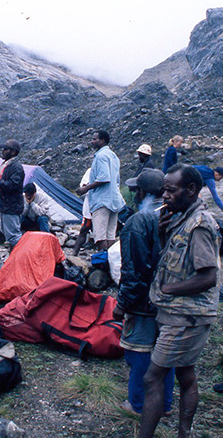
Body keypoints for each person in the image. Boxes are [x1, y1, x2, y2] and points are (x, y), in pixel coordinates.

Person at [138, 164, 220, 438]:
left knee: (152, 378)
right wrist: (162, 234)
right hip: (176, 313)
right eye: (164, 190)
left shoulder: (200, 224)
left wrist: (170, 290)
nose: (165, 196)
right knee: (186, 374)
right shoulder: (180, 217)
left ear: (192, 190)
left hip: (187, 316)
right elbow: (174, 259)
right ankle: (184, 433)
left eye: (171, 190)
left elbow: (209, 276)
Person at [113, 169, 174, 415]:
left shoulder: (138, 221)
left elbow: (134, 270)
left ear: (140, 192)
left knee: (139, 354)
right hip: (171, 300)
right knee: (164, 354)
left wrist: (123, 303)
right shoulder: (176, 213)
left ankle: (138, 404)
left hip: (144, 302)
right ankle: (166, 404)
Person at [76, 130, 125, 250]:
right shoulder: (114, 156)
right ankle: (112, 264)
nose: (92, 141)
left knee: (100, 237)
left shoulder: (101, 156)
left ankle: (103, 264)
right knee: (110, 235)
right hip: (114, 200)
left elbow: (104, 178)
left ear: (102, 140)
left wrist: (85, 188)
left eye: (94, 139)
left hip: (102, 200)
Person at [0, 139, 24, 250]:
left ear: (13, 152)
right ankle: (14, 259)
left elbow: (12, 185)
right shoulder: (8, 165)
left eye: (5, 149)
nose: (2, 151)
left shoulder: (16, 167)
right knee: (10, 235)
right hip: (6, 206)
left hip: (11, 206)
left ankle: (22, 258)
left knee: (14, 236)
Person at [73, 168, 92, 256]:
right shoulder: (91, 171)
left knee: (102, 234)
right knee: (84, 230)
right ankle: (74, 254)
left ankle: (102, 258)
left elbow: (84, 187)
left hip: (99, 206)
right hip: (91, 206)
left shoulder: (108, 170)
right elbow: (83, 186)